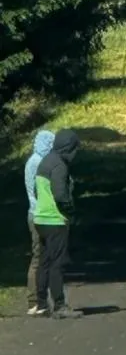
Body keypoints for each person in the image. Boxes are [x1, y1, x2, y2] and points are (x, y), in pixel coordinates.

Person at [34, 129, 83, 319]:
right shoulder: (59, 165)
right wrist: (70, 211)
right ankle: (60, 305)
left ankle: (41, 304)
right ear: (68, 147)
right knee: (57, 263)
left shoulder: (45, 162)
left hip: (40, 218)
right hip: (55, 220)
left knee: (44, 262)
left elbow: (39, 191)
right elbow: (60, 194)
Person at [24, 130, 55, 315]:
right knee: (39, 258)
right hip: (39, 214)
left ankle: (38, 299)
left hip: (34, 213)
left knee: (41, 257)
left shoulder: (33, 161)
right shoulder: (37, 163)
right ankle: (35, 300)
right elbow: (39, 190)